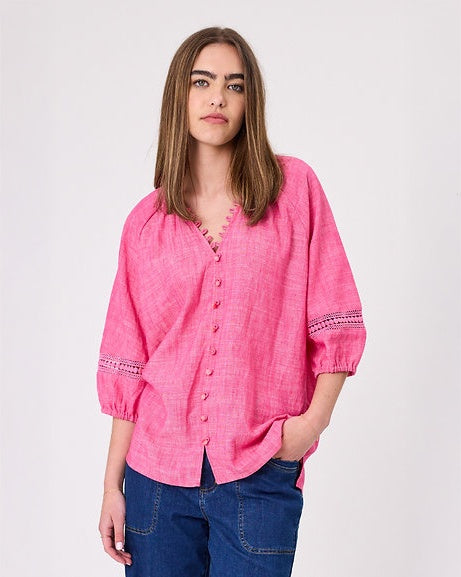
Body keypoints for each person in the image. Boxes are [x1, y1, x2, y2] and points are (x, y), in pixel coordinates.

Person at [96, 26, 366, 577]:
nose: (217, 97)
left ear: (249, 102)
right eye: (202, 82)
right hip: (154, 481)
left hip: (259, 469)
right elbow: (130, 360)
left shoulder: (294, 191)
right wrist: (111, 486)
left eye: (234, 85)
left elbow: (336, 317)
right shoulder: (145, 225)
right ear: (179, 96)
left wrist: (310, 425)